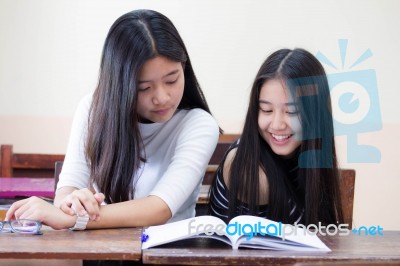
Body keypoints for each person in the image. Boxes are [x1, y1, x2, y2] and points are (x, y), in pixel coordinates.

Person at [6, 9, 220, 230]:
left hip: (168, 253)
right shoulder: (92, 109)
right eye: (144, 87)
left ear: (184, 68)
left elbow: (160, 208)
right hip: (102, 248)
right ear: (120, 85)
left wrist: (74, 218)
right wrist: (72, 203)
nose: (162, 97)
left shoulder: (199, 124)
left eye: (172, 80)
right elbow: (68, 187)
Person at [209, 48, 344, 226]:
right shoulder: (249, 169)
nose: (277, 124)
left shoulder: (309, 158)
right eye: (266, 110)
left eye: (291, 111)